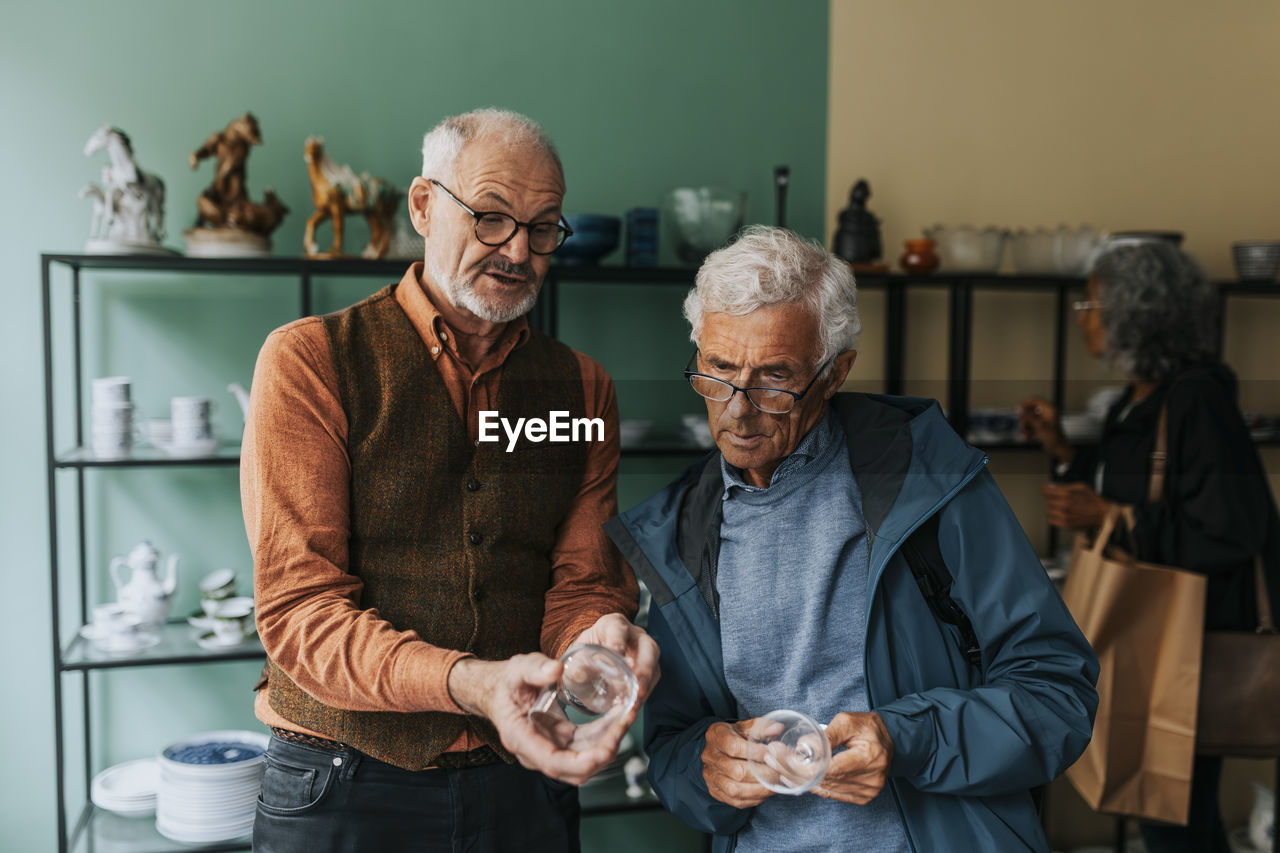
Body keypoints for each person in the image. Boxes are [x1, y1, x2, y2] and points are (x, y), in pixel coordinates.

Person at [240, 107, 658, 853]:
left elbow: (583, 581)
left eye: (543, 227)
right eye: (491, 217)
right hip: (345, 781)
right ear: (424, 206)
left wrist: (599, 636)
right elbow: (301, 612)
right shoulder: (311, 363)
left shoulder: (581, 389)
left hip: (519, 782)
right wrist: (470, 683)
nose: (518, 250)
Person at [605, 225, 1099, 853]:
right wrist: (705, 770)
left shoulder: (931, 484)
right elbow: (673, 743)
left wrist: (907, 739)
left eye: (776, 380)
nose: (737, 410)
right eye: (718, 370)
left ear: (835, 373)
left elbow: (1058, 696)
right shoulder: (679, 532)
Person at [1019, 240, 1280, 853]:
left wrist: (1113, 515)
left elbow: (1232, 529)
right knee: (1166, 814)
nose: (1082, 315)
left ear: (1138, 312)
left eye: (1093, 302)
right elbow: (1140, 493)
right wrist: (1064, 453)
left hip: (1190, 638)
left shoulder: (1196, 401)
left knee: (1174, 821)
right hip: (1156, 634)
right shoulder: (1144, 401)